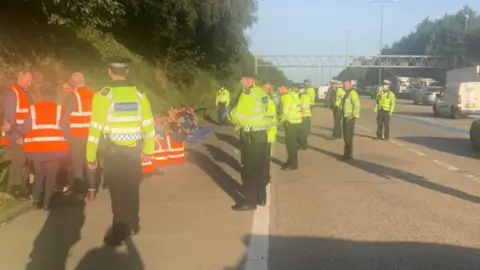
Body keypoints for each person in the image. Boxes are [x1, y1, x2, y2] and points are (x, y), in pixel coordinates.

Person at [86, 56, 155, 246]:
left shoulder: (102, 96)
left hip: (113, 153)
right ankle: (133, 223)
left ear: (109, 72)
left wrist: (90, 155)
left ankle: (119, 230)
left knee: (117, 191)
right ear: (126, 72)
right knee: (132, 186)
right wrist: (149, 149)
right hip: (134, 151)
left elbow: (95, 129)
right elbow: (148, 125)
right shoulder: (140, 94)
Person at [15, 78, 70, 210]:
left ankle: (35, 200)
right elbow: (67, 128)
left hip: (36, 149)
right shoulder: (60, 110)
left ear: (41, 94)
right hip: (55, 150)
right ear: (55, 95)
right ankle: (47, 202)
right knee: (51, 176)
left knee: (39, 174)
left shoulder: (33, 109)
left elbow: (24, 128)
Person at [228, 77, 269, 211]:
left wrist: (229, 115)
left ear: (248, 80)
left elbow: (237, 114)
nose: (240, 81)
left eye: (242, 79)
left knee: (249, 170)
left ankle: (249, 202)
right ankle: (261, 198)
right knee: (261, 167)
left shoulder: (247, 94)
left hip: (250, 136)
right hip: (262, 134)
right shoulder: (262, 93)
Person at [62, 72, 96, 200]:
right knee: (91, 161)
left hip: (76, 135)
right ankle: (92, 190)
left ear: (73, 83)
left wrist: (65, 135)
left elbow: (64, 118)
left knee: (77, 163)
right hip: (92, 135)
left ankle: (79, 191)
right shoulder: (93, 95)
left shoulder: (72, 96)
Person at [1, 71, 34, 199]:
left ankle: (21, 187)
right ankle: (14, 188)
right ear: (20, 78)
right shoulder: (13, 94)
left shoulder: (25, 93)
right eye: (28, 81)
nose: (30, 84)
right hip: (16, 135)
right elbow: (10, 119)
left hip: (24, 134)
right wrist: (16, 136)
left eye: (31, 81)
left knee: (24, 161)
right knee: (19, 161)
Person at [279, 86, 302, 170]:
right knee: (292, 144)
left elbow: (285, 110)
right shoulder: (294, 95)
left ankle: (293, 163)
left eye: (279, 90)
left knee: (290, 145)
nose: (279, 92)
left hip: (290, 123)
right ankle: (290, 161)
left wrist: (281, 120)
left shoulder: (285, 97)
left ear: (283, 90)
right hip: (297, 121)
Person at [340, 81, 360, 160]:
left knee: (348, 136)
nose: (344, 86)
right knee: (345, 136)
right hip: (345, 116)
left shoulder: (352, 93)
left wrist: (353, 115)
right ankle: (346, 153)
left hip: (350, 118)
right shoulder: (346, 93)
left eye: (346, 85)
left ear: (350, 85)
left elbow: (357, 105)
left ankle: (349, 154)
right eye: (344, 85)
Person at [262, 83, 277, 184]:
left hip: (262, 132)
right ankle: (266, 176)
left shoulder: (263, 100)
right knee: (266, 157)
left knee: (261, 157)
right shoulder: (271, 101)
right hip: (270, 133)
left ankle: (263, 176)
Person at [298, 86, 312, 150]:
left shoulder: (304, 96)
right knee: (302, 131)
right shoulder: (301, 95)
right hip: (304, 115)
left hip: (304, 115)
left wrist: (301, 114)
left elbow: (304, 105)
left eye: (301, 88)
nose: (300, 90)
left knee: (303, 131)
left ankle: (304, 145)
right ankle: (303, 144)